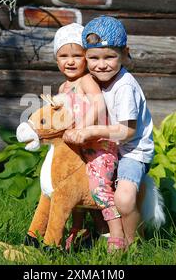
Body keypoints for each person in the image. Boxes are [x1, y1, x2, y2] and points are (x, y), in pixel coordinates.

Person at [63, 16, 155, 250]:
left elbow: (127, 131)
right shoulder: (95, 80)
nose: (101, 65)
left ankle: (133, 244)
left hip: (131, 151)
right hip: (108, 148)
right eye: (93, 58)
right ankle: (97, 230)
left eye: (109, 57)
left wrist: (90, 130)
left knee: (123, 200)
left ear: (124, 54)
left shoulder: (124, 86)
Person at [52, 23, 124, 251]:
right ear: (56, 60)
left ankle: (117, 235)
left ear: (86, 58)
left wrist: (82, 127)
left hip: (98, 146)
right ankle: (81, 228)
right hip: (76, 148)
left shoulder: (86, 81)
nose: (70, 61)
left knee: (98, 186)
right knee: (71, 187)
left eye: (76, 55)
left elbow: (99, 104)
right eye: (63, 55)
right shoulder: (64, 87)